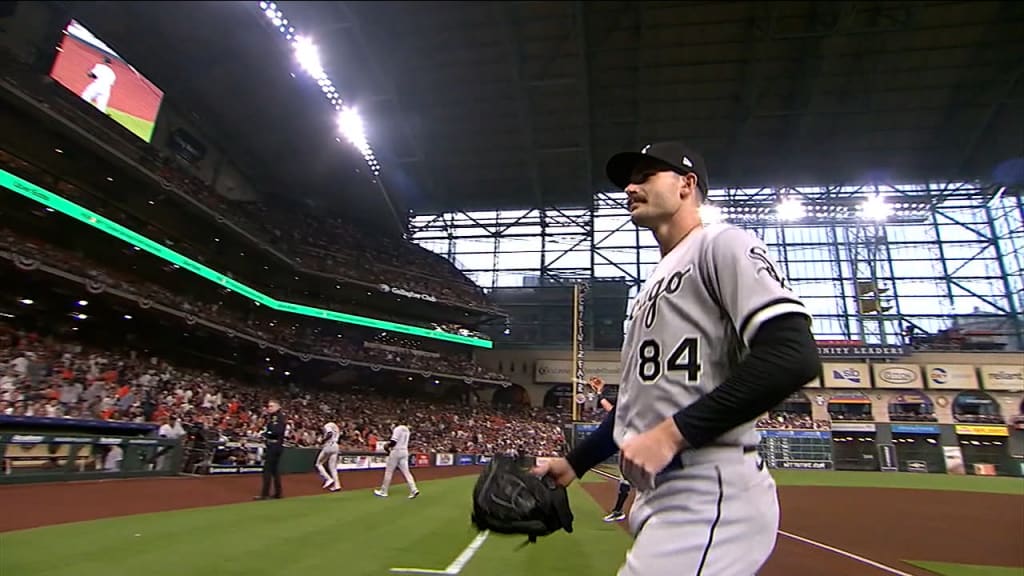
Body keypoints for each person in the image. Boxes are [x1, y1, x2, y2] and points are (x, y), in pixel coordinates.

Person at [532, 142, 821, 575]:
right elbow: (638, 406)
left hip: (708, 488)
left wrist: (671, 434)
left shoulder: (723, 244)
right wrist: (575, 462)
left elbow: (793, 355)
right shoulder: (653, 282)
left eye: (646, 175)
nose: (630, 186)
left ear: (687, 185)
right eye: (629, 179)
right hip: (661, 494)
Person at [373, 422, 420, 499]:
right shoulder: (407, 430)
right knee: (407, 472)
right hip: (405, 451)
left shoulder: (397, 429)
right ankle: (414, 489)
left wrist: (387, 446)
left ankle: (384, 491)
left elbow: (393, 442)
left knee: (389, 472)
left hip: (396, 451)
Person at [255, 399, 286, 500]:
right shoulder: (274, 417)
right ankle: (278, 493)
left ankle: (265, 494)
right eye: (269, 406)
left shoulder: (277, 417)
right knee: (274, 471)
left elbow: (277, 431)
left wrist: (265, 434)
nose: (269, 408)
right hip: (276, 446)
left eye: (271, 406)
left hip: (274, 446)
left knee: (267, 470)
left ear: (278, 407)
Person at [315, 421, 341, 492]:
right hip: (335, 446)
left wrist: (323, 440)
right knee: (333, 468)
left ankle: (328, 479)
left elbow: (329, 433)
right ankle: (337, 485)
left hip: (329, 445)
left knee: (318, 463)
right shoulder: (336, 427)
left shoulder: (327, 425)